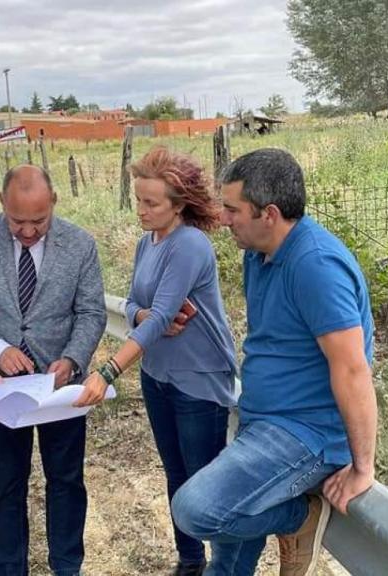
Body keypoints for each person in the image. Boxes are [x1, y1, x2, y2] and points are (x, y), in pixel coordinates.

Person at [170, 148, 378, 576]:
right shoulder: (258, 253)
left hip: (306, 434)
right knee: (226, 561)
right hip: (263, 421)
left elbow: (352, 369)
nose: (223, 219)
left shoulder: (316, 266)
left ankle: (298, 519)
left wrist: (362, 467)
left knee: (195, 510)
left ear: (269, 214)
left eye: (233, 210)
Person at [77, 146, 238, 576]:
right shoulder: (146, 243)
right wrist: (139, 316)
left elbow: (164, 316)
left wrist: (108, 370)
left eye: (151, 203)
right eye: (138, 200)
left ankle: (224, 566)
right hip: (158, 376)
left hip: (198, 380)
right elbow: (136, 306)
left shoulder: (190, 245)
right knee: (176, 474)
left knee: (205, 485)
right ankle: (190, 561)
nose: (141, 210)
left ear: (178, 205)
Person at [0, 164, 108, 576]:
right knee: (6, 487)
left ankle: (67, 567)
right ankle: (8, 568)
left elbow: (91, 312)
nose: (29, 231)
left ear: (54, 202)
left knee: (66, 481)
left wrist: (72, 359)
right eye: (18, 221)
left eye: (40, 220)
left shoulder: (80, 244)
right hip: (1, 392)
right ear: (2, 203)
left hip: (61, 391)